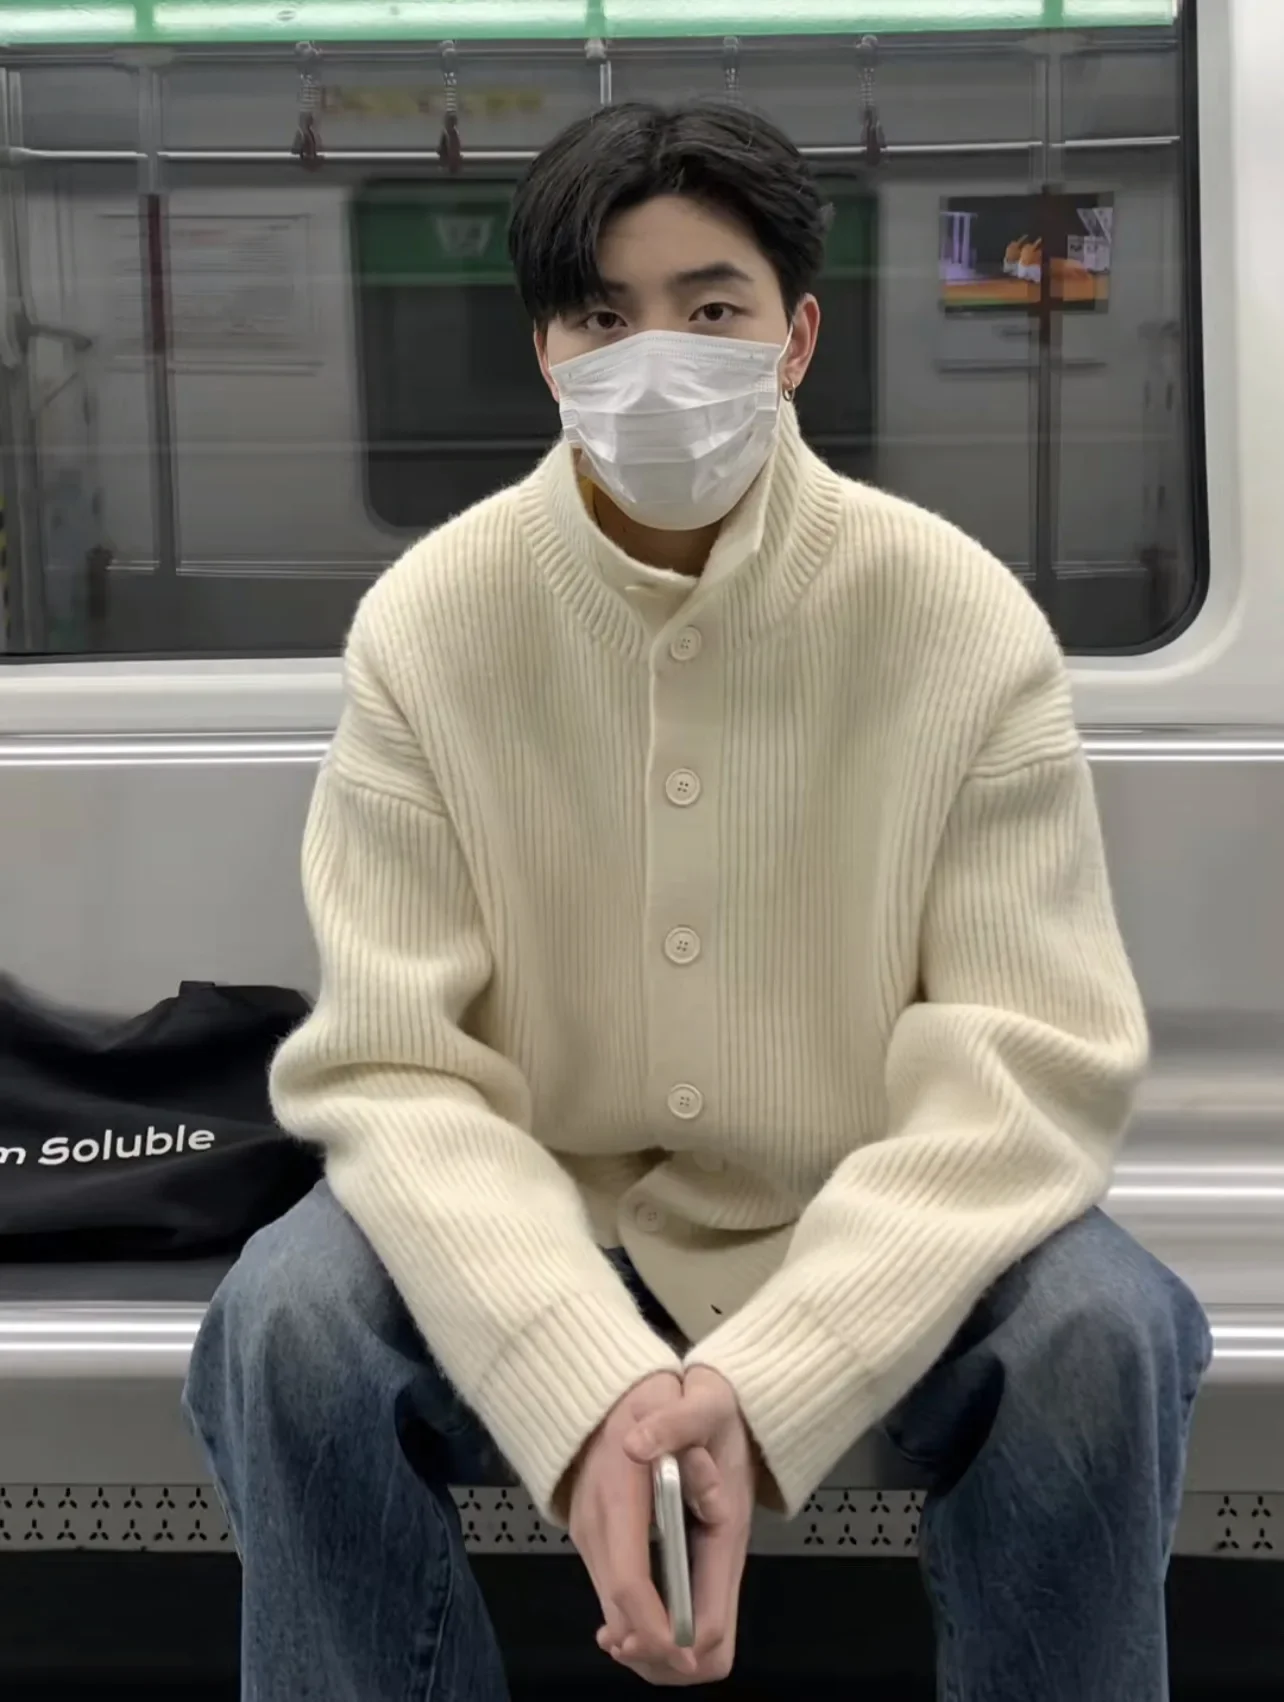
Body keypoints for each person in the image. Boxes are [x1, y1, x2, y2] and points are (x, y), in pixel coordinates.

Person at [184, 102, 1211, 1700]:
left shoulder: (956, 620)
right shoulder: (434, 624)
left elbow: (1025, 1060)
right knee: (284, 1319)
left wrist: (773, 1374)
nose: (656, 358)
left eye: (711, 307)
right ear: (546, 351)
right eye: (603, 316)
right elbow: (396, 1067)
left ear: (797, 337)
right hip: (544, 1206)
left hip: (864, 1204)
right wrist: (585, 1378)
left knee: (1105, 1327)